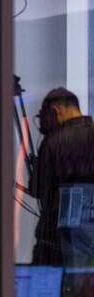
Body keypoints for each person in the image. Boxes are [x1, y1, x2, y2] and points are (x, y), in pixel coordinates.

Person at [31, 88, 94, 265]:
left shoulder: (53, 142)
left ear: (56, 110)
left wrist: (36, 163)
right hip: (89, 242)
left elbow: (37, 189)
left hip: (54, 241)